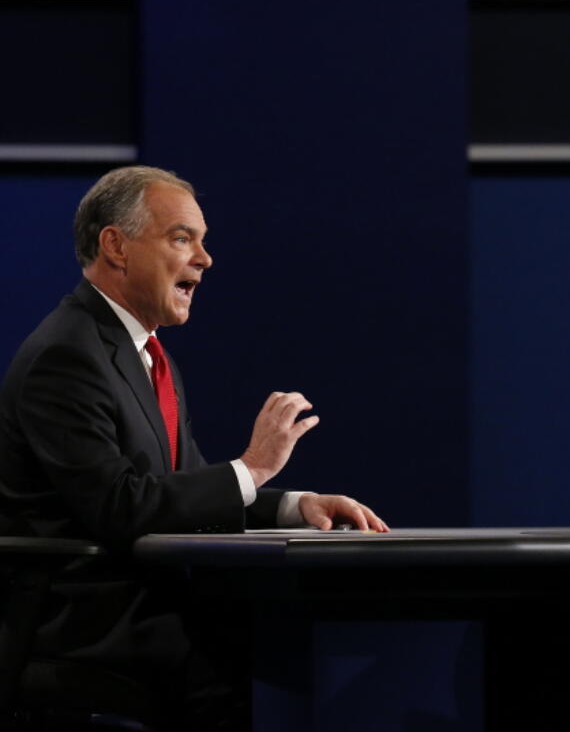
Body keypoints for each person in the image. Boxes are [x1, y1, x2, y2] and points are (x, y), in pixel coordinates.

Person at [0, 166, 390, 729]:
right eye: (182, 238)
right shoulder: (66, 358)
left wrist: (292, 505)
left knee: (261, 632)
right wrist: (252, 467)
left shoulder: (147, 354)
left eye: (201, 241)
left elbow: (180, 485)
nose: (205, 259)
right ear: (116, 245)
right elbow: (118, 507)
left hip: (135, 596)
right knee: (234, 646)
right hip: (77, 613)